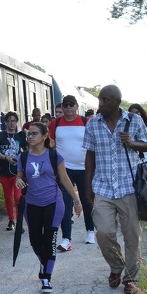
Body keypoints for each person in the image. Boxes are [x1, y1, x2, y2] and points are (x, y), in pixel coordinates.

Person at [84, 85, 147, 294]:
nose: (100, 104)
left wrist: (131, 143)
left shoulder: (134, 120)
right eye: (99, 100)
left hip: (128, 186)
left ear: (116, 102)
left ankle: (131, 277)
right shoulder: (93, 124)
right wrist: (88, 187)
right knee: (104, 232)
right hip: (102, 186)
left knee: (132, 235)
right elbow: (90, 156)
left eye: (105, 100)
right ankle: (116, 266)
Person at [16, 122, 82, 293]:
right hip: (32, 204)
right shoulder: (23, 157)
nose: (30, 136)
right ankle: (44, 263)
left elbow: (65, 179)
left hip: (53, 202)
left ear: (44, 136)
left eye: (34, 133)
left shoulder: (54, 156)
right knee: (35, 240)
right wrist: (18, 180)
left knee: (49, 239)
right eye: (29, 134)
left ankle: (46, 277)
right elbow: (19, 176)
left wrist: (76, 201)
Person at [49, 94, 96, 251]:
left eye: (71, 104)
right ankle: (66, 238)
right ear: (62, 107)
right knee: (65, 203)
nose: (68, 107)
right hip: (64, 169)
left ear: (76, 106)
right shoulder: (55, 123)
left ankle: (90, 230)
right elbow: (51, 143)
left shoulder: (85, 122)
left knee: (86, 200)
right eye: (65, 105)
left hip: (84, 168)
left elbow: (93, 144)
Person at [0, 111, 28, 231]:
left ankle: (19, 221)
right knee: (8, 197)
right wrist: (5, 158)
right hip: (5, 171)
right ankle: (11, 220)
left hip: (18, 172)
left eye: (14, 121)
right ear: (6, 122)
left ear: (17, 122)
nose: (12, 123)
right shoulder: (0, 136)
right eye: (9, 121)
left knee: (18, 198)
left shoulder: (20, 136)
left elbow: (27, 149)